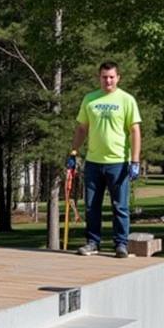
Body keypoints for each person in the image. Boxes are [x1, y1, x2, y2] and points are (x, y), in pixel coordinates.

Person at [68, 61, 142, 257]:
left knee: (120, 206)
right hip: (93, 162)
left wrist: (135, 161)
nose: (108, 80)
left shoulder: (127, 100)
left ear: (118, 78)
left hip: (118, 162)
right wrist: (73, 152)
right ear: (98, 77)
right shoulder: (90, 99)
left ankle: (121, 244)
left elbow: (134, 130)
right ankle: (93, 242)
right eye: (104, 77)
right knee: (92, 206)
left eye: (111, 77)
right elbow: (82, 128)